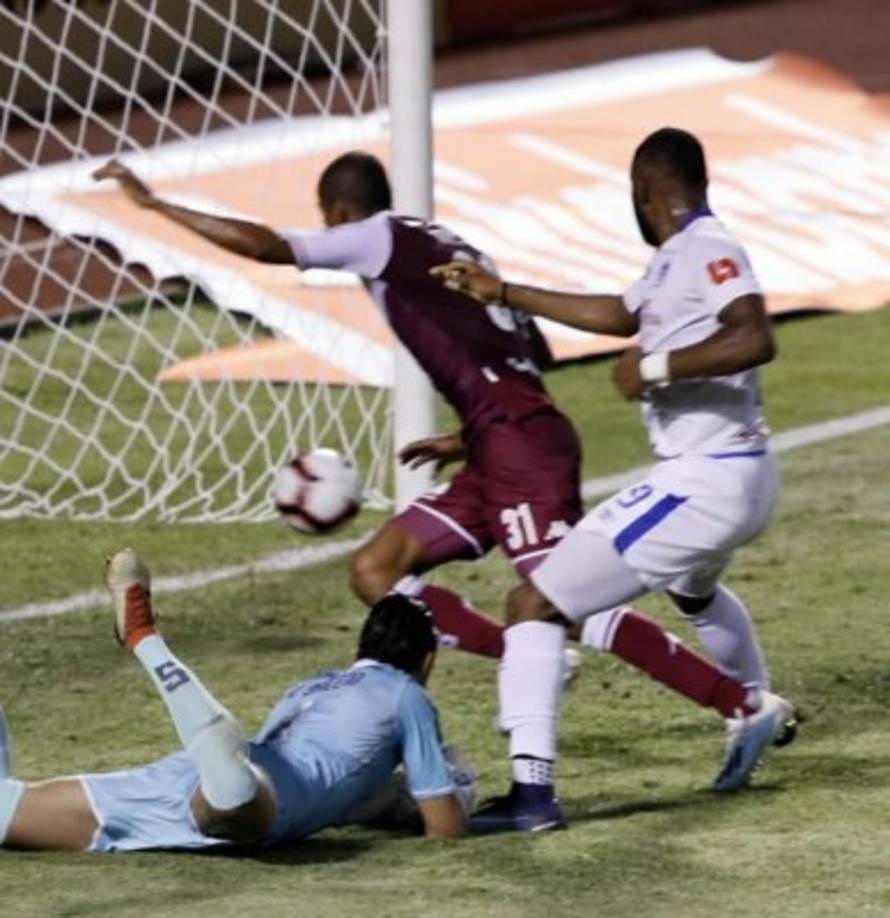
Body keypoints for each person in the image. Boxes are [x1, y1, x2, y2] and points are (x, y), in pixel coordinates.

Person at [92, 154, 786, 769]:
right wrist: (471, 433)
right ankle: (534, 654)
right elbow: (529, 348)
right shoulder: (449, 242)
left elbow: (272, 247)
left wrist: (154, 206)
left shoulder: (379, 236)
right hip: (496, 442)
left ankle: (738, 701)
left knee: (562, 598)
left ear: (338, 213)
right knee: (376, 570)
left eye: (328, 224)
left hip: (519, 444)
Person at [434, 127, 796, 831]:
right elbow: (617, 312)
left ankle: (533, 797)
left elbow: (756, 336)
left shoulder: (710, 249)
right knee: (693, 590)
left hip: (706, 480)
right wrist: (501, 289)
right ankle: (752, 706)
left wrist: (654, 367)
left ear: (644, 191)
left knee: (533, 604)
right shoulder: (670, 261)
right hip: (738, 474)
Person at [0, 549, 471, 852]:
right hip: (249, 799)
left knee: (8, 809)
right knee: (234, 778)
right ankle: (145, 640)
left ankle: (219, 756)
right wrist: (457, 799)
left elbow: (339, 787)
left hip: (185, 785)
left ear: (360, 649)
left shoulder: (310, 688)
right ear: (426, 661)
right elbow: (444, 829)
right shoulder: (407, 694)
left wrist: (387, 803)